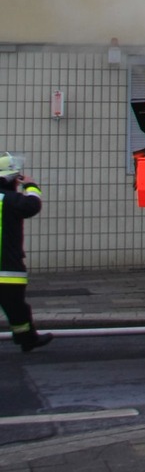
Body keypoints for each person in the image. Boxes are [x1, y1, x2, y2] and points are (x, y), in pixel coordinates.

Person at [0, 151, 52, 352]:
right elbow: (32, 205)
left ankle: (27, 339)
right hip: (7, 269)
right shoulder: (11, 200)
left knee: (17, 308)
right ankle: (27, 339)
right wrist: (30, 185)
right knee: (17, 309)